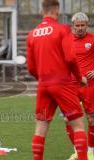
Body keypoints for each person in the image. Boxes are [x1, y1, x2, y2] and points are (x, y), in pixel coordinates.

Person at [26, 0, 88, 160]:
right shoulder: (62, 30)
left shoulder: (32, 34)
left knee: (41, 127)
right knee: (78, 124)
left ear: (42, 12)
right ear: (57, 11)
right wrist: (78, 77)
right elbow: (70, 58)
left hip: (43, 85)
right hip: (62, 83)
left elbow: (31, 67)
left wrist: (43, 79)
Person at [63, 12, 94, 160]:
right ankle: (77, 152)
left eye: (83, 25)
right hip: (71, 86)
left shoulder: (93, 40)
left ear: (87, 26)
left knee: (92, 118)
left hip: (89, 86)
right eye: (77, 26)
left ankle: (90, 151)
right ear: (73, 26)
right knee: (68, 119)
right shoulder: (66, 41)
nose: (80, 28)